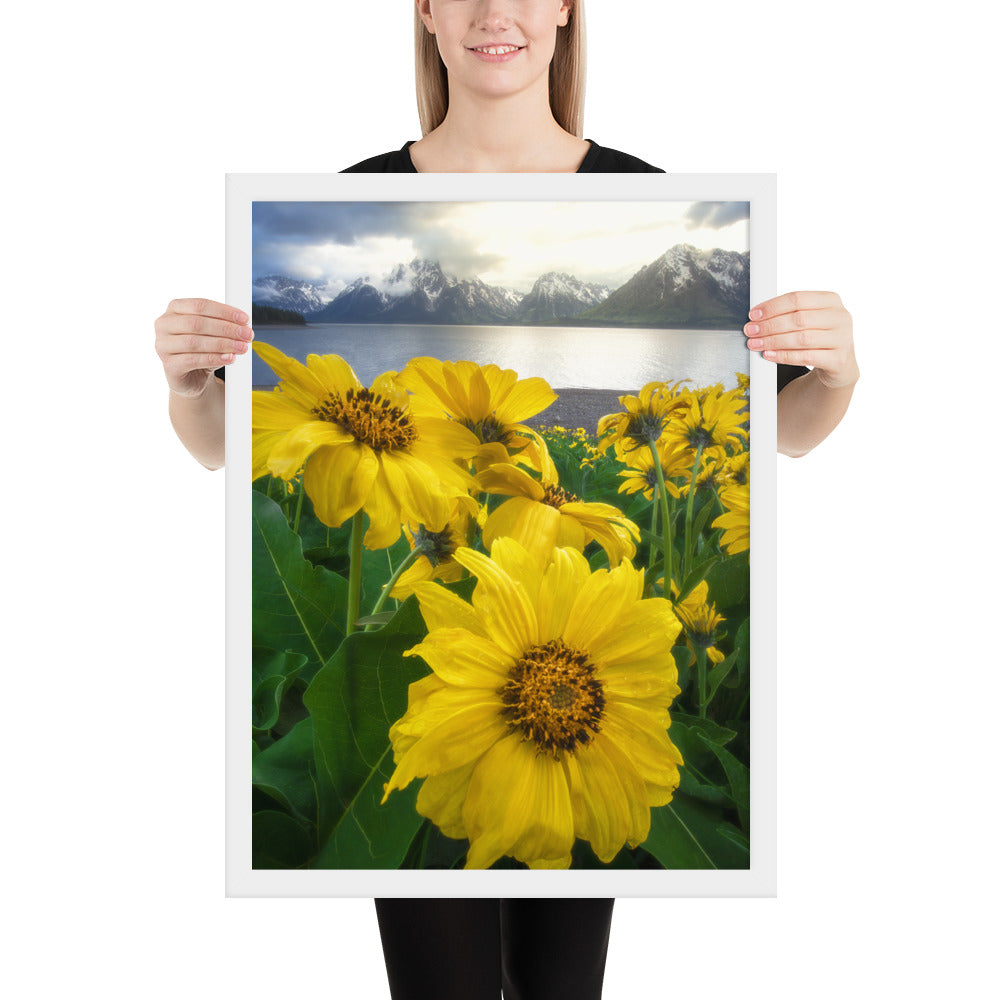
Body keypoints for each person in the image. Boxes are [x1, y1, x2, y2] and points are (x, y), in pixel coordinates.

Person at [154, 2, 859, 998]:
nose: (497, 13)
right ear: (427, 14)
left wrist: (835, 373)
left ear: (566, 10)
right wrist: (189, 386)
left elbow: (778, 432)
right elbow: (226, 454)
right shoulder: (350, 195)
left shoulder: (649, 194)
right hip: (449, 698)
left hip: (549, 693)